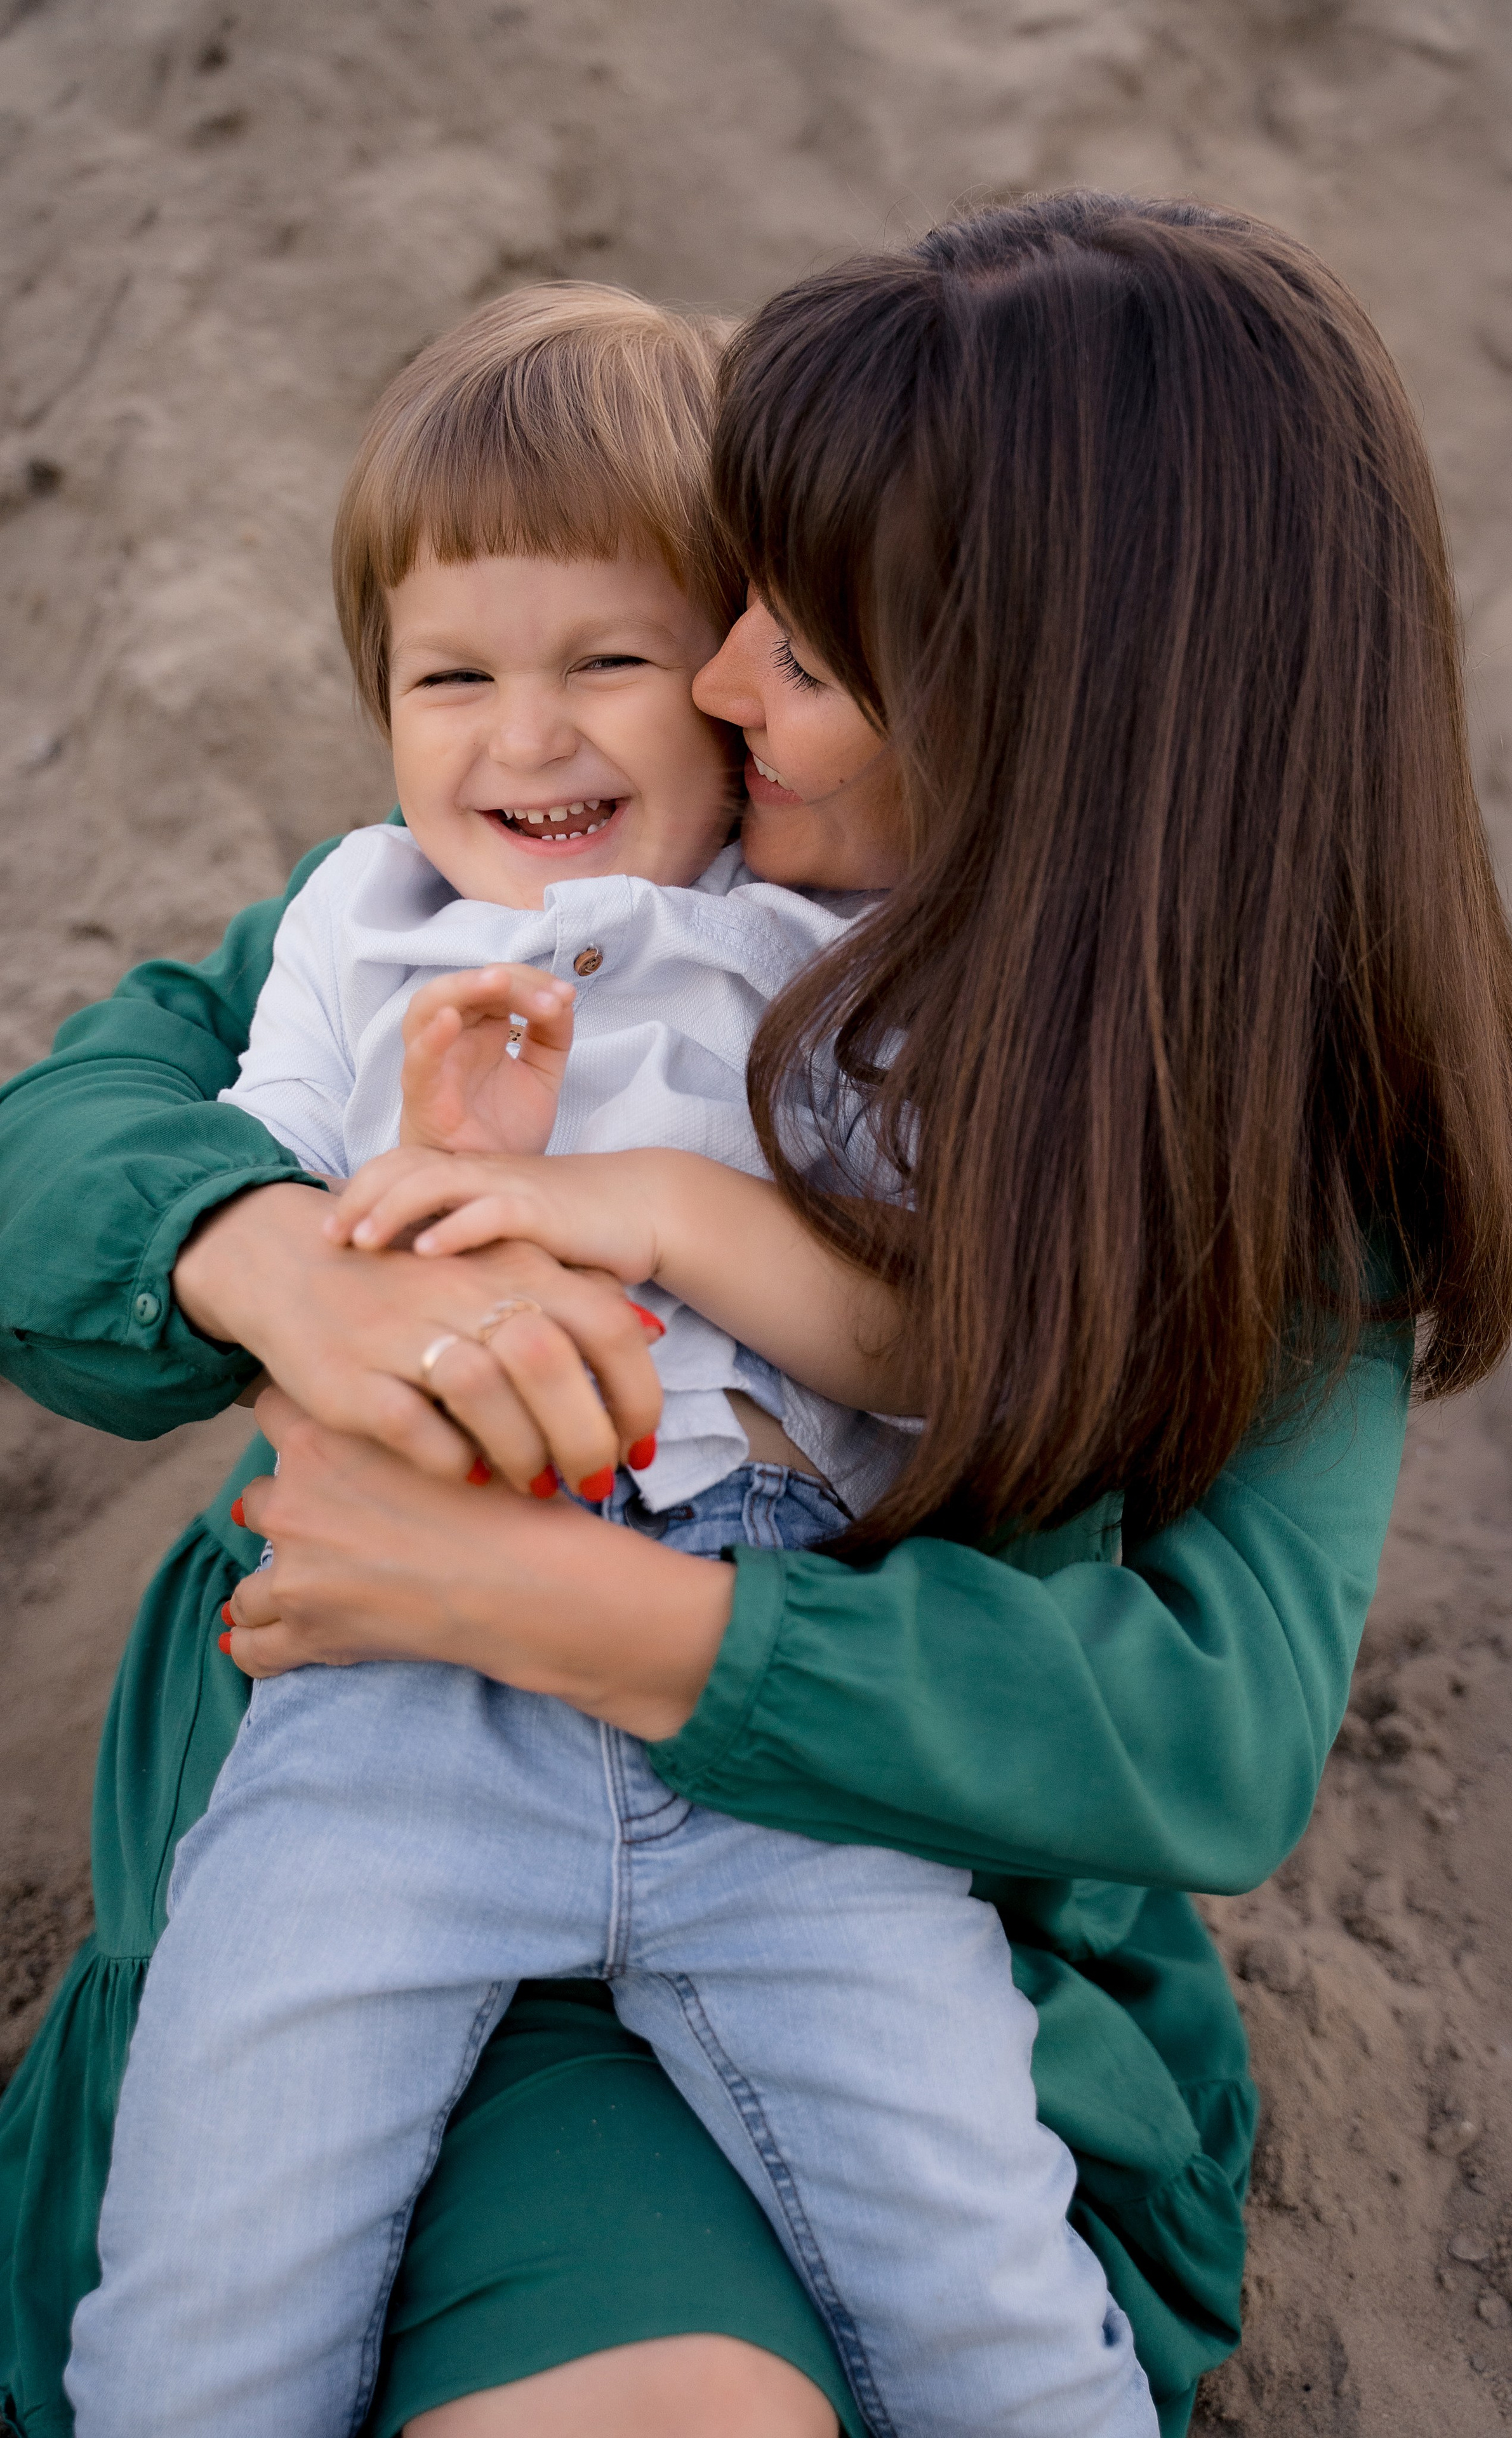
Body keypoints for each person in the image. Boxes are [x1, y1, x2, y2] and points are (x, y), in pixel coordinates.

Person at [0, 192, 1512, 2438]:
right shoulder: (484, 909)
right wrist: (267, 1268)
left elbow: (1206, 1726)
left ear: (1048, 718)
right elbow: (81, 1133)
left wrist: (581, 1601)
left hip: (852, 1862)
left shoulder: (1228, 1131)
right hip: (370, 1787)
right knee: (258, 2309)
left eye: (798, 650)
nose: (713, 680)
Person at [64, 279, 1153, 2438]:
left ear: (739, 686)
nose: (525, 738)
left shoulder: (840, 960)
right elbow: (243, 1208)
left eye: (610, 664)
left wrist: (669, 1217)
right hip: (390, 1697)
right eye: (450, 675)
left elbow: (954, 1345)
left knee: (987, 2298)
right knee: (210, 2271)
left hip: (771, 1679)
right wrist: (385, 1208)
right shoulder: (359, 927)